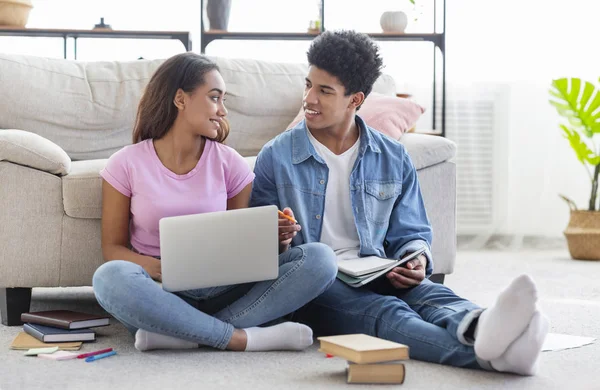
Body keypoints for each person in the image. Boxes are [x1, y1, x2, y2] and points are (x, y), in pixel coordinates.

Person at [249, 30, 549, 375]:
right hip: (318, 285)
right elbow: (262, 248)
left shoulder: (391, 155)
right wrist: (278, 236)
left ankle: (483, 326)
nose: (309, 98)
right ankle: (490, 357)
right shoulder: (277, 155)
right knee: (389, 313)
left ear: (355, 99)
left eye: (324, 91)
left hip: (375, 268)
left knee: (434, 297)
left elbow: (412, 230)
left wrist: (417, 257)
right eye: (308, 85)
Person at [92, 52, 338, 353]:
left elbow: (245, 251)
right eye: (214, 98)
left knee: (320, 259)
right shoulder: (126, 163)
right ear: (180, 99)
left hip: (225, 288)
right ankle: (237, 337)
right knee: (108, 278)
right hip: (160, 291)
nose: (222, 110)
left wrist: (277, 240)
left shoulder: (231, 164)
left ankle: (181, 332)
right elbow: (112, 250)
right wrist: (163, 269)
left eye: (223, 101)